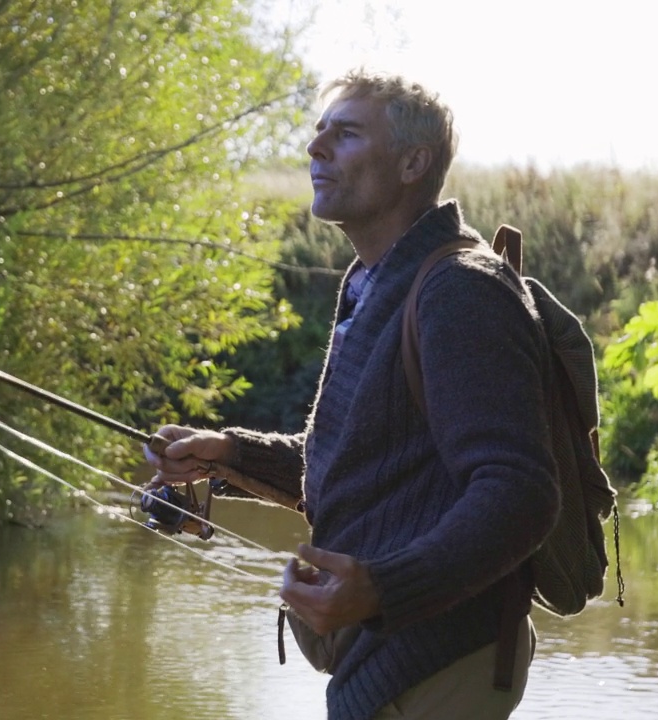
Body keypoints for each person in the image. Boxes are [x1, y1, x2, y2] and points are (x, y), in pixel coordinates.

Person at [147, 69, 560, 720]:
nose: (315, 149)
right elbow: (359, 464)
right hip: (386, 659)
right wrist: (225, 453)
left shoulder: (461, 288)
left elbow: (521, 492)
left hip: (442, 660)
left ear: (412, 162)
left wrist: (383, 589)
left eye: (343, 134)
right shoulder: (373, 283)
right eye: (319, 133)